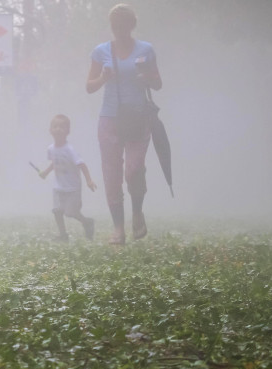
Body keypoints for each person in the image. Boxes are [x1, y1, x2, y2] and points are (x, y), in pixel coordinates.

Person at [86, 3, 162, 245]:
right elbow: (89, 86)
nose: (119, 29)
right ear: (111, 26)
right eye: (115, 25)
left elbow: (158, 83)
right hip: (109, 118)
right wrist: (103, 77)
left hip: (139, 118)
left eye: (124, 24)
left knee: (134, 168)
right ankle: (118, 228)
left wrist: (144, 76)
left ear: (132, 25)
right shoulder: (100, 51)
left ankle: (137, 211)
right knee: (112, 174)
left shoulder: (146, 49)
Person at [38, 114, 97, 242]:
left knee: (70, 213)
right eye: (55, 126)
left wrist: (89, 180)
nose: (58, 129)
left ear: (68, 131)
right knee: (57, 211)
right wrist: (45, 173)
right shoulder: (51, 149)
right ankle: (63, 235)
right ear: (50, 130)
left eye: (62, 127)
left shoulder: (70, 149)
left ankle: (87, 222)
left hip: (73, 187)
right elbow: (55, 162)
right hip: (58, 186)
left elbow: (81, 164)